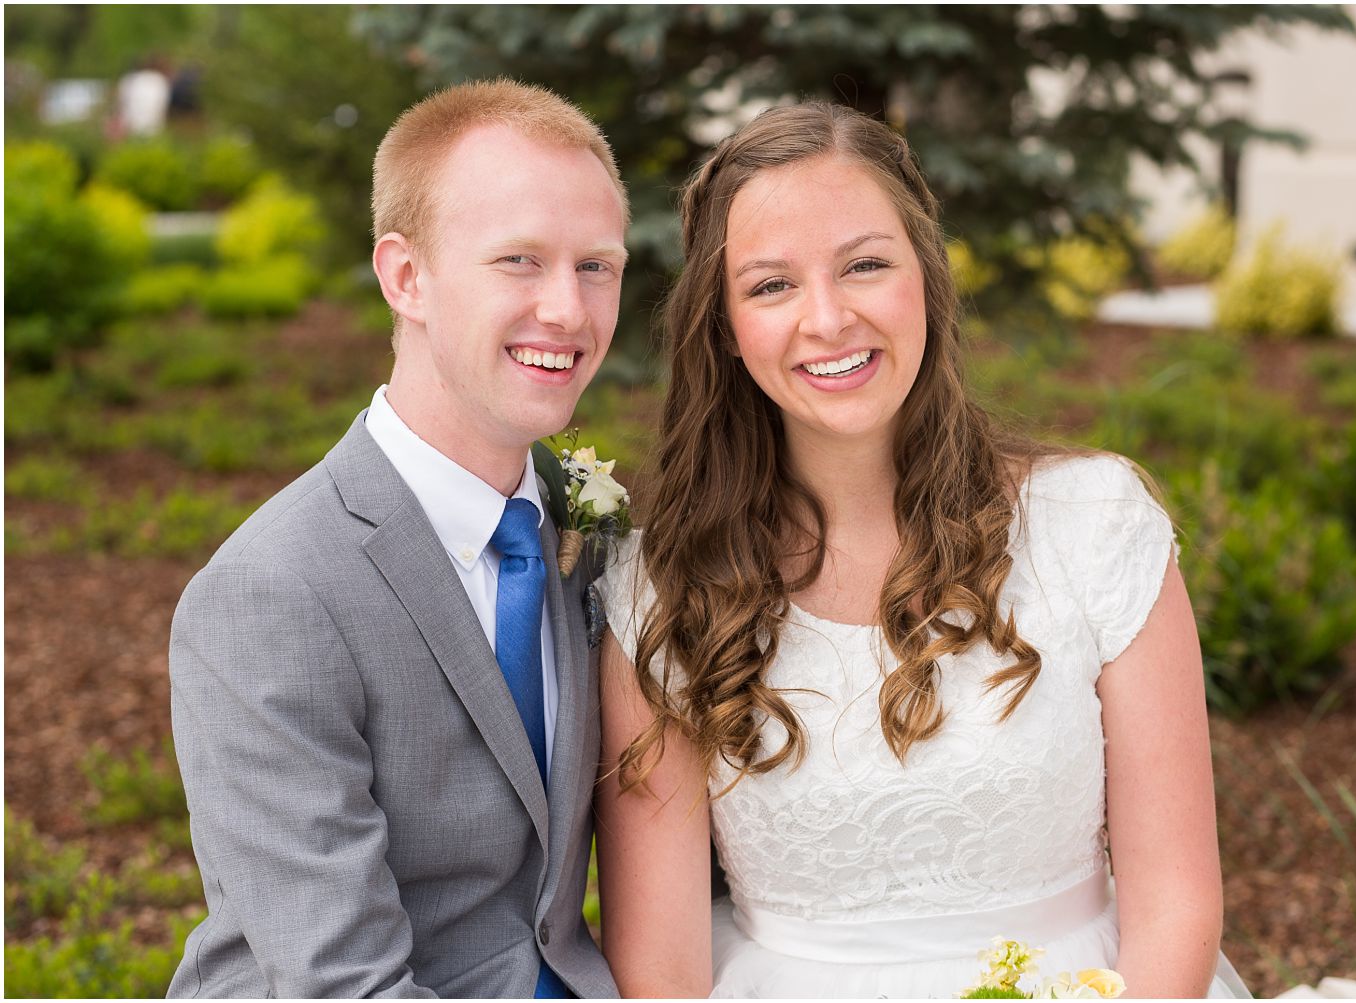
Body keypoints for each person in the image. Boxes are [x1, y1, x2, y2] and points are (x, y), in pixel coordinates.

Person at [593, 102, 1252, 998]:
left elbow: (1176, 900)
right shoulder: (661, 594)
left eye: (865, 264)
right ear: (723, 324)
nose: (826, 318)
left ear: (926, 279)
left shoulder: (1094, 524)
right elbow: (661, 970)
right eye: (771, 285)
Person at [168, 78, 626, 998]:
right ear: (404, 276)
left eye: (598, 266)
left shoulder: (594, 530)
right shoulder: (272, 593)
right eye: (519, 260)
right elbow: (345, 983)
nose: (570, 311)